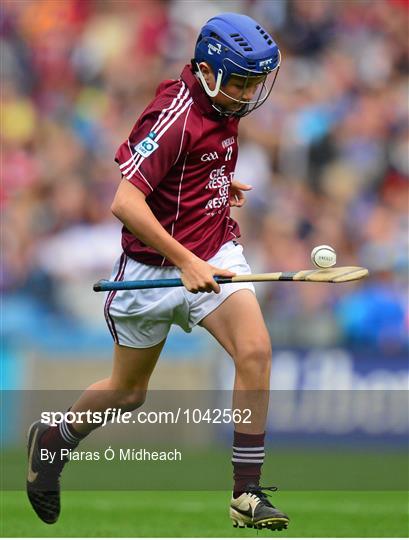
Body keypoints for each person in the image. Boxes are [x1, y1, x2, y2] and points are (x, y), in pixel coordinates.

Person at [26, 12, 289, 531]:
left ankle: (246, 493)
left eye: (255, 83)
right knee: (128, 392)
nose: (247, 94)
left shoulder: (223, 101)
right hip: (152, 271)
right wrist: (185, 260)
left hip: (214, 252)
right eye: (240, 82)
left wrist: (216, 185)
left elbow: (193, 164)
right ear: (210, 72)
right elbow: (126, 202)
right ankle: (54, 440)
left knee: (255, 350)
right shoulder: (174, 112)